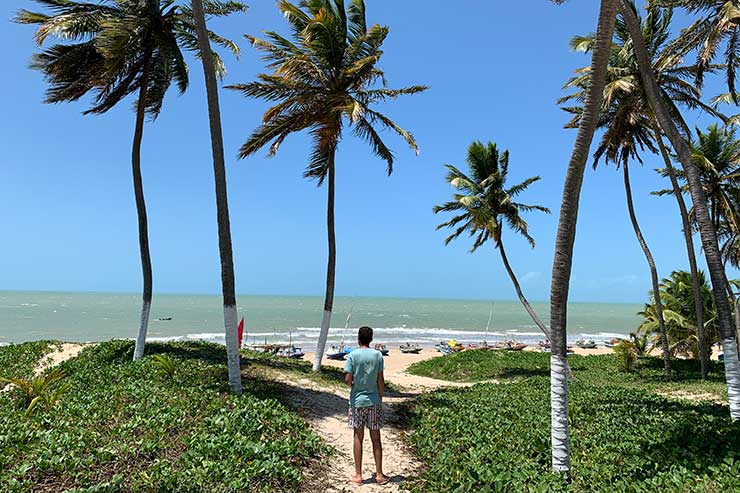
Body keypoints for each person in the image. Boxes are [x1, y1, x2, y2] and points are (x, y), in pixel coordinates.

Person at [344, 326, 389, 485]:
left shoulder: (352, 355)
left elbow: (348, 379)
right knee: (376, 437)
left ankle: (358, 475)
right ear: (371, 339)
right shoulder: (377, 355)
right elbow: (380, 380)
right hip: (374, 401)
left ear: (358, 338)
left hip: (357, 401)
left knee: (358, 436)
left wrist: (355, 385)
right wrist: (380, 397)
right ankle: (379, 474)